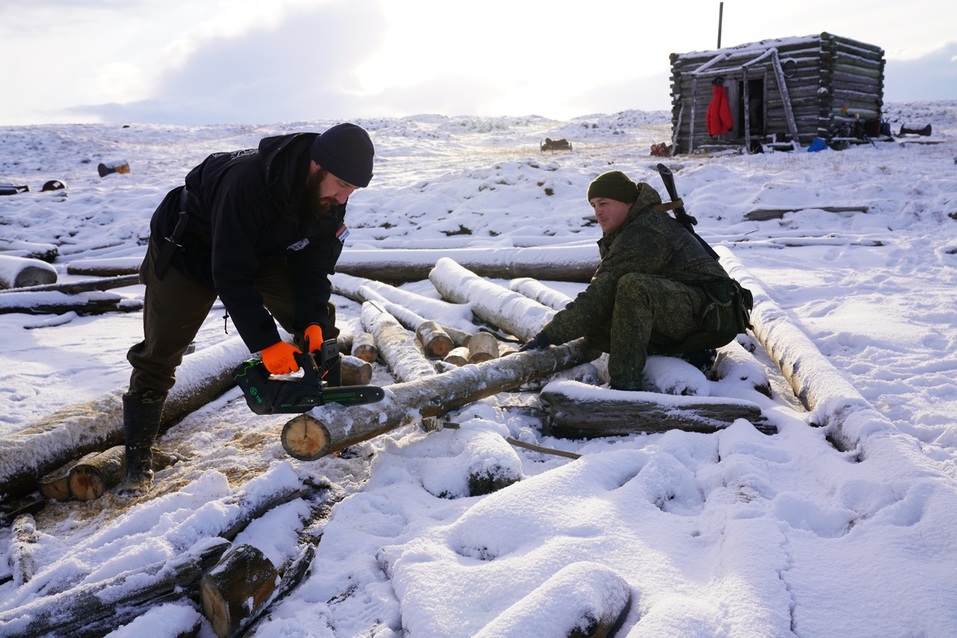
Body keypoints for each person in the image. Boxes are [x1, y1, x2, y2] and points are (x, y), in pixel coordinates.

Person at [120, 123, 375, 495]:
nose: (343, 197)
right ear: (316, 165)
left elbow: (313, 267)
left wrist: (312, 323)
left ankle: (330, 428)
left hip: (262, 252)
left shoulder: (330, 194)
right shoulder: (249, 182)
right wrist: (267, 343)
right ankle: (137, 459)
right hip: (187, 251)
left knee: (321, 328)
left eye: (352, 190)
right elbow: (230, 274)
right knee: (160, 353)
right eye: (341, 185)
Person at [520, 170, 751, 391]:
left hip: (714, 315)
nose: (597, 212)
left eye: (604, 203)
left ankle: (625, 387)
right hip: (692, 310)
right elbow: (601, 302)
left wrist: (547, 336)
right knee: (598, 330)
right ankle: (687, 354)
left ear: (628, 203)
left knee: (634, 287)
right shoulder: (632, 226)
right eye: (593, 205)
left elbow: (598, 297)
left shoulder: (645, 231)